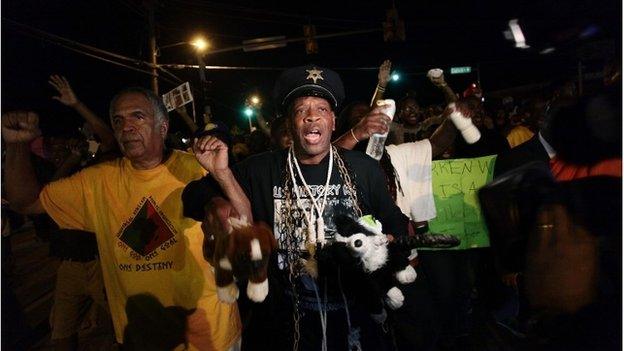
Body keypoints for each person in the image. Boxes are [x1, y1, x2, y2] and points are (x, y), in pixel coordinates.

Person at [183, 64, 410, 350]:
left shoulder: (363, 168)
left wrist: (383, 246)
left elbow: (395, 226)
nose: (312, 115)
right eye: (302, 109)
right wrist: (219, 186)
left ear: (333, 122)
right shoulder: (261, 169)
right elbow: (192, 198)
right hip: (287, 319)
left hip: (354, 314)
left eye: (322, 109)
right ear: (290, 123)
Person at [2, 87, 243, 350]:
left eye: (137, 117)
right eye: (118, 120)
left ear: (163, 127)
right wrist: (16, 145)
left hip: (209, 335)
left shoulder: (201, 168)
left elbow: (244, 223)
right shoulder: (98, 181)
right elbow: (26, 202)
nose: (126, 126)